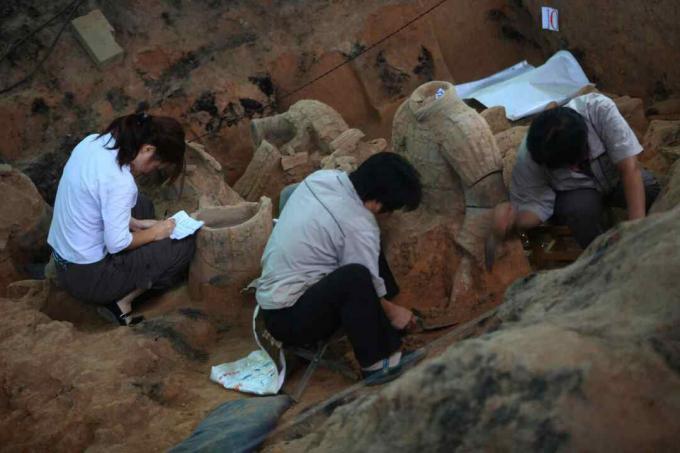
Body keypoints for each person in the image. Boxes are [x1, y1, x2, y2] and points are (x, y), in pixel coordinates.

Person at [256, 152, 425, 384]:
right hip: (290, 320)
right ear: (377, 203)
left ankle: (386, 324)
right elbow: (363, 280)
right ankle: (377, 363)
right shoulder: (359, 226)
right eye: (392, 208)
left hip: (273, 300)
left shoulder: (323, 178)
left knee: (364, 251)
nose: (390, 214)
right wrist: (395, 313)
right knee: (356, 275)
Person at [47, 111, 196, 325]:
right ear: (147, 149)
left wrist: (135, 223)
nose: (151, 171)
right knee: (184, 244)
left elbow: (92, 198)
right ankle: (121, 303)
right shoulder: (120, 181)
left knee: (142, 204)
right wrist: (155, 233)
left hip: (63, 260)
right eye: (156, 165)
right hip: (88, 279)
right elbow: (117, 244)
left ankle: (130, 266)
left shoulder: (92, 142)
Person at [492, 93, 660, 249]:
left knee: (649, 188)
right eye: (564, 166)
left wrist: (635, 230)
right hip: (578, 193)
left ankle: (654, 237)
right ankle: (600, 256)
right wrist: (514, 220)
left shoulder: (600, 110)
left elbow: (630, 168)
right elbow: (536, 206)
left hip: (615, 177)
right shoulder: (530, 155)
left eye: (576, 161)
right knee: (578, 212)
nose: (574, 169)